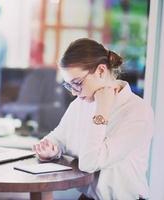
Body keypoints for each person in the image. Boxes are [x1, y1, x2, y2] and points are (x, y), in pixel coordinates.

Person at [33, 38, 153, 200]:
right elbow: (58, 137)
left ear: (101, 71)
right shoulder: (81, 103)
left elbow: (89, 164)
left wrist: (102, 110)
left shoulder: (137, 111)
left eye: (77, 83)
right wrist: (51, 150)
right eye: (69, 85)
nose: (74, 93)